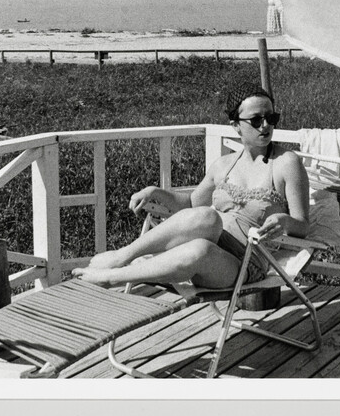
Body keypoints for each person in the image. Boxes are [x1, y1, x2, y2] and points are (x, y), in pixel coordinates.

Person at [73, 82, 310, 289]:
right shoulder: (223, 165)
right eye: (257, 120)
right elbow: (191, 205)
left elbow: (302, 227)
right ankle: (121, 257)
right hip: (212, 238)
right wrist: (155, 191)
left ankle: (112, 277)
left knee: (200, 250)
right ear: (236, 125)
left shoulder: (286, 163)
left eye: (271, 118)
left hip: (244, 260)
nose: (266, 126)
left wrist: (284, 221)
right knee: (207, 217)